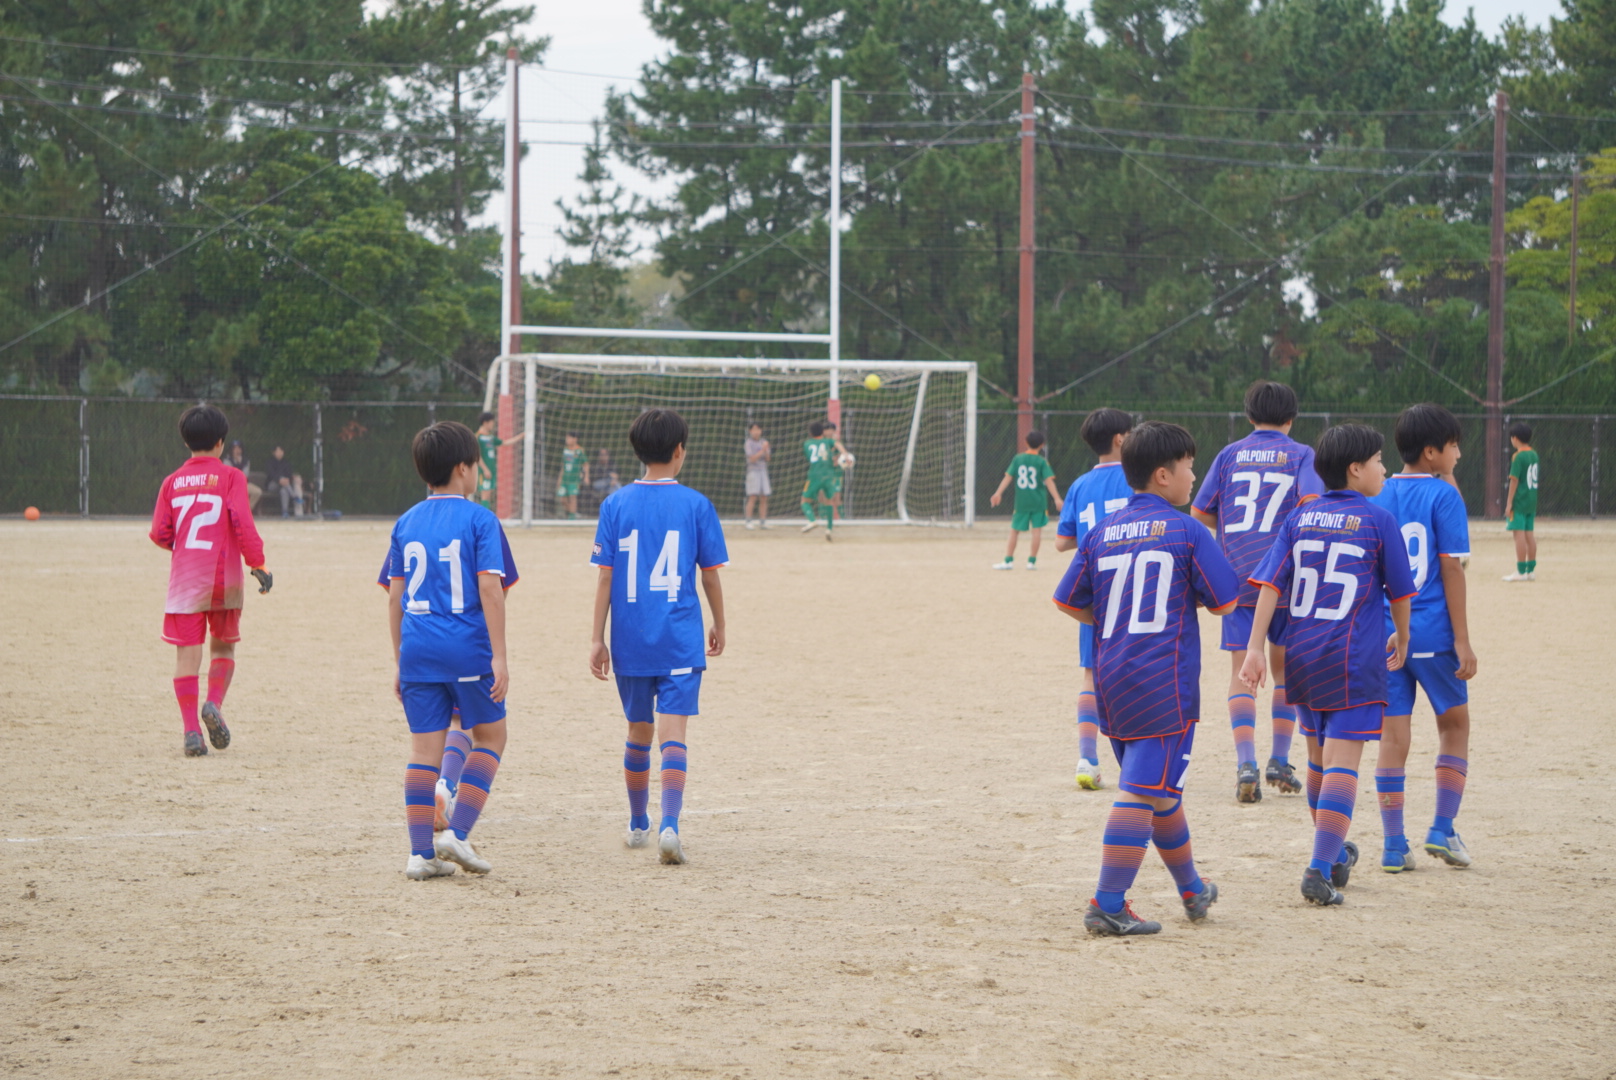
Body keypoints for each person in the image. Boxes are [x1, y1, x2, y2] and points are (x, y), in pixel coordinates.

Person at [1053, 421, 1240, 936]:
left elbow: (1067, 600)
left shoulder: (1102, 532)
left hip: (1111, 675)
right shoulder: (1188, 531)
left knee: (1159, 790)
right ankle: (1108, 903)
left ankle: (1192, 889)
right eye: (1190, 467)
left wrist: (1113, 619)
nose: (1194, 476)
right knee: (1140, 792)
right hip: (1164, 681)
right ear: (1163, 475)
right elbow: (1226, 602)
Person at [1242, 423, 1417, 907]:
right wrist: (1402, 636)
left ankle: (1334, 853)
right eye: (1378, 460)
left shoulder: (1299, 518)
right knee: (1343, 764)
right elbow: (1400, 593)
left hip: (1301, 654)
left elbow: (1270, 586)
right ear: (1355, 469)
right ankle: (1318, 872)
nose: (1384, 468)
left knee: (1319, 761)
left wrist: (1255, 647)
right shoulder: (1378, 520)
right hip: (1352, 658)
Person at [590, 409, 728, 866]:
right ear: (679, 451)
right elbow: (710, 575)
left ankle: (637, 824)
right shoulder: (696, 504)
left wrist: (596, 638)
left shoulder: (614, 504)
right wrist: (719, 622)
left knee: (638, 732)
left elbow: (605, 577)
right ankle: (669, 825)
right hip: (679, 638)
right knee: (673, 736)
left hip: (629, 639)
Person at [385, 421, 519, 881]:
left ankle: (420, 854)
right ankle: (457, 833)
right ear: (463, 468)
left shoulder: (405, 522)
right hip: (466, 649)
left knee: (424, 751)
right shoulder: (481, 519)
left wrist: (400, 660)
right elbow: (491, 589)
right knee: (491, 736)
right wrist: (499, 656)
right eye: (477, 465)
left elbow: (395, 598)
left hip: (417, 651)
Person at [1190, 381, 1324, 803]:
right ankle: (1279, 759)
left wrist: (1232, 533)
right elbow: (1311, 502)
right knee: (1285, 671)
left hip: (1238, 577)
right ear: (1292, 418)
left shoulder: (1229, 454)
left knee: (1241, 670)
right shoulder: (1302, 454)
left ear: (1249, 416)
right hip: (1285, 577)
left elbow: (1199, 510)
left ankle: (1245, 762)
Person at [1371, 404, 1478, 872]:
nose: (1459, 453)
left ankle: (1394, 844)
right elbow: (1452, 568)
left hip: (1386, 635)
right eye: (1453, 446)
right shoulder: (1444, 495)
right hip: (1432, 632)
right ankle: (1442, 828)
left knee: (1392, 737)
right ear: (1432, 453)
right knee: (1454, 725)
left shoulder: (1377, 491)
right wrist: (1463, 640)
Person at [149, 406, 273, 757]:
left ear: (185, 442)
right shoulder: (231, 477)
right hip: (224, 578)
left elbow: (159, 533)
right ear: (220, 443)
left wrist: (184, 548)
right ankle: (213, 703)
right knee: (223, 648)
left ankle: (191, 732)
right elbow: (243, 523)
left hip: (185, 582)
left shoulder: (171, 482)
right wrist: (258, 563)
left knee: (187, 656)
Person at [1053, 407, 1135, 790]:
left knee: (1091, 674)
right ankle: (1136, 760)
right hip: (1133, 586)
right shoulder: (1137, 479)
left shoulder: (1080, 485)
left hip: (1095, 592)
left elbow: (1061, 542)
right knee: (1134, 672)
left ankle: (1087, 758)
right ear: (1120, 439)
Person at [989, 431, 1064, 569]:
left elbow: (1008, 477)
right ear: (1042, 445)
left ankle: (1008, 560)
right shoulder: (1041, 461)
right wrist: (1057, 499)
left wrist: (998, 493)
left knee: (1014, 530)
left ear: (1026, 442)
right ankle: (1031, 562)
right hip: (1038, 502)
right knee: (1037, 531)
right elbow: (1049, 481)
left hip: (1022, 502)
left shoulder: (1018, 459)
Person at [1503, 422, 1539, 581]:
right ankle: (1530, 571)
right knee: (1529, 534)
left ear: (1515, 438)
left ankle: (1520, 571)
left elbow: (1514, 480)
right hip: (1531, 500)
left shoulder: (1518, 456)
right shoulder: (1534, 454)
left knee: (1519, 535)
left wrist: (1509, 503)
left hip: (1520, 500)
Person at [800, 419, 847, 539]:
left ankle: (812, 520)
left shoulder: (807, 444)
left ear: (810, 433)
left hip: (815, 475)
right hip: (829, 475)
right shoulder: (828, 441)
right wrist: (845, 454)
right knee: (829, 501)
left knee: (804, 501)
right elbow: (838, 444)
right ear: (823, 431)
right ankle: (829, 529)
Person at [743, 423, 772, 528]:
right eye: (754, 430)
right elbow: (752, 459)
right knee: (753, 496)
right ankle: (748, 521)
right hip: (753, 472)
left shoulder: (764, 442)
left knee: (764, 497)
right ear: (750, 431)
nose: (756, 432)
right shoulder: (748, 443)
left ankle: (763, 522)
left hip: (763, 471)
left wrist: (766, 450)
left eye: (758, 429)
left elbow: (768, 459)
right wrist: (763, 450)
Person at [264, 446, 305, 518]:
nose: (280, 453)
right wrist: (279, 480)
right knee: (283, 482)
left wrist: (286, 479)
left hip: (285, 485)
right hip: (272, 485)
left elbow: (289, 474)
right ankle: (294, 497)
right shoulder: (270, 462)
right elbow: (271, 474)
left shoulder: (286, 462)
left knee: (284, 491)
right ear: (274, 453)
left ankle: (284, 512)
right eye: (278, 451)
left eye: (281, 451)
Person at [224, 440, 264, 512]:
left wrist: (239, 463)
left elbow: (245, 475)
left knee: (257, 492)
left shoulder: (245, 461)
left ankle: (246, 510)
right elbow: (229, 474)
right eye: (235, 448)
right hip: (231, 485)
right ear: (231, 450)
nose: (237, 450)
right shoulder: (227, 460)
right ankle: (231, 510)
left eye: (239, 448)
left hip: (243, 484)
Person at [559, 432, 589, 520]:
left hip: (574, 479)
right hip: (565, 479)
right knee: (562, 499)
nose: (567, 440)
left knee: (573, 497)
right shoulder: (565, 450)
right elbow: (563, 465)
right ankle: (573, 513)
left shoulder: (579, 450)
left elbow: (586, 464)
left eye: (569, 438)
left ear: (575, 439)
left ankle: (572, 518)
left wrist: (586, 477)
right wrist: (559, 478)